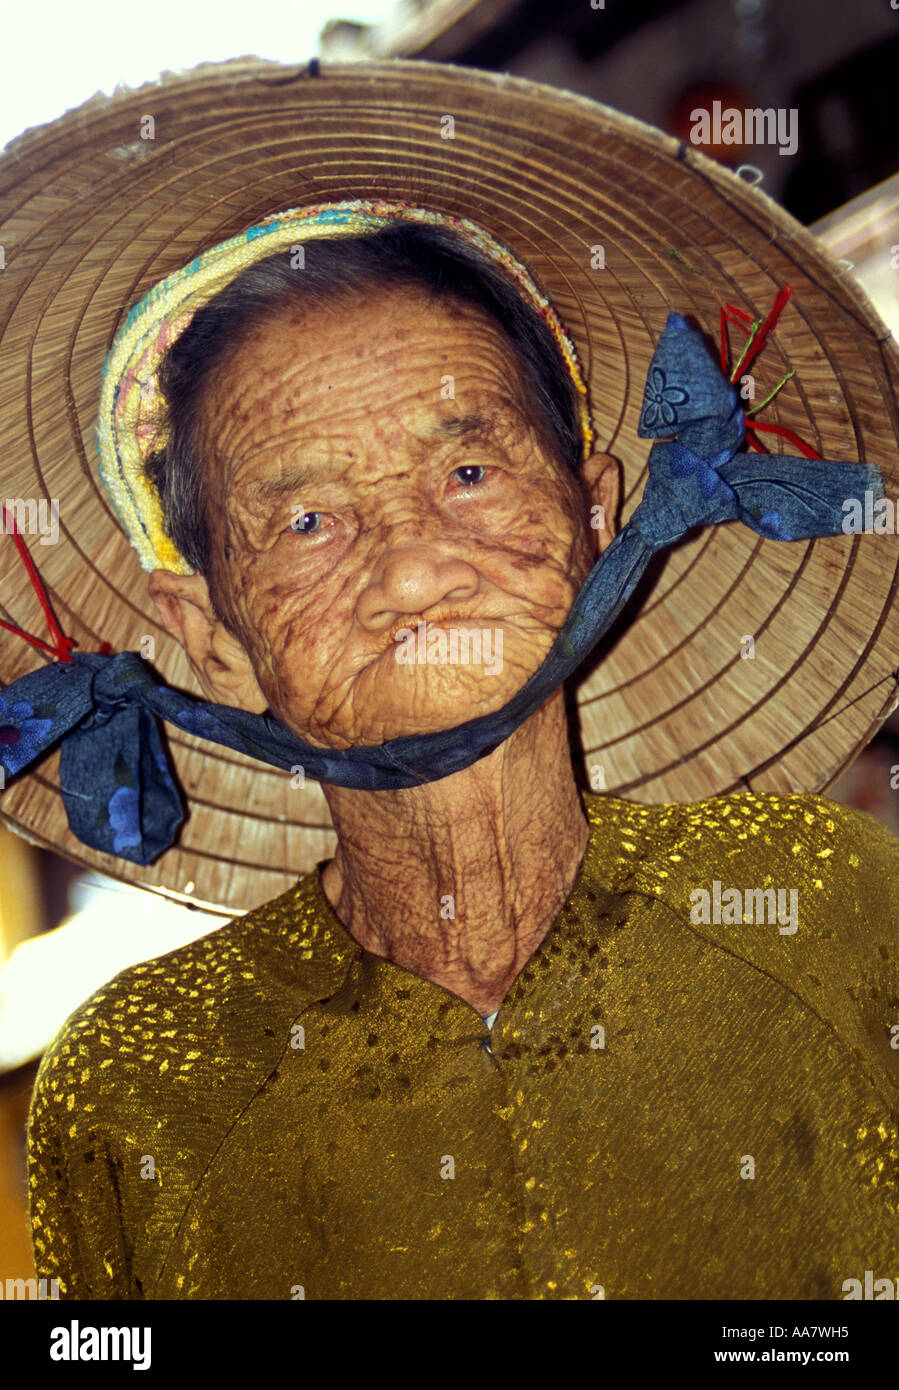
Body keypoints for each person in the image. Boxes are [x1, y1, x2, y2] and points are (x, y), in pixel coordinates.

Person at [3, 60, 897, 1301]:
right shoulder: (141, 1086)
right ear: (202, 628)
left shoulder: (836, 909)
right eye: (308, 518)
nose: (414, 571)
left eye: (468, 474)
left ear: (594, 513)